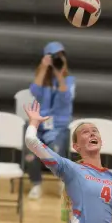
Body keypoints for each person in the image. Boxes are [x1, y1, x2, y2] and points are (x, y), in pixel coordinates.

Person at [24, 100, 112, 223]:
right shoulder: (70, 169)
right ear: (76, 146)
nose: (92, 134)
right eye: (85, 132)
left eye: (94, 131)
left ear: (101, 141)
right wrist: (34, 123)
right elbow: (31, 141)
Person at [25, 41, 75, 199]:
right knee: (30, 151)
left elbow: (65, 98)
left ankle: (63, 182)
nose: (56, 61)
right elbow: (35, 92)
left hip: (58, 127)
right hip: (40, 125)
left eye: (60, 57)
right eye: (54, 57)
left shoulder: (69, 80)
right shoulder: (42, 78)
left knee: (55, 150)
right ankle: (36, 184)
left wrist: (60, 75)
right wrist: (44, 66)